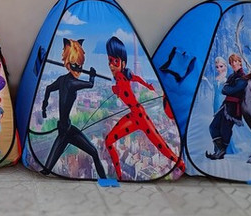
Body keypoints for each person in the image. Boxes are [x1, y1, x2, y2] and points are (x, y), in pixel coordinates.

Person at [103, 35, 184, 178]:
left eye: (115, 61)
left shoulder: (125, 76)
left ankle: (181, 164)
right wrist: (117, 90)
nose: (111, 65)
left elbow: (136, 79)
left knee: (162, 146)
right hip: (133, 116)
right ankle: (119, 176)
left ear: (123, 62)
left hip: (140, 116)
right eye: (110, 61)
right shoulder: (119, 78)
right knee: (109, 141)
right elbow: (126, 88)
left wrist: (148, 86)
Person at [40, 38, 106, 178]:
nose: (79, 69)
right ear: (68, 64)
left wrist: (44, 107)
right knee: (94, 153)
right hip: (66, 131)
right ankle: (105, 180)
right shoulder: (71, 83)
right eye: (75, 65)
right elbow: (90, 85)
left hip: (65, 128)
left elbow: (48, 88)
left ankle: (104, 179)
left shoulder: (62, 80)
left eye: (80, 65)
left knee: (47, 169)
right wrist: (92, 76)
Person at [206, 53, 247, 160]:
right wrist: (228, 88)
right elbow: (225, 90)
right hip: (225, 105)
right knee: (213, 127)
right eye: (231, 62)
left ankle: (220, 153)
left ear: (240, 62)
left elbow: (229, 90)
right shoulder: (232, 76)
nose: (233, 64)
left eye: (235, 61)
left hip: (233, 108)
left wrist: (228, 88)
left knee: (225, 130)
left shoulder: (243, 77)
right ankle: (220, 150)